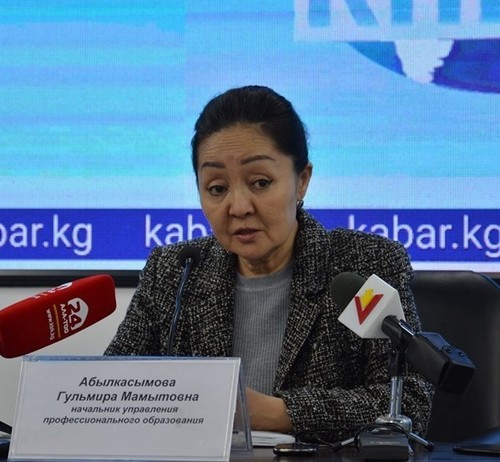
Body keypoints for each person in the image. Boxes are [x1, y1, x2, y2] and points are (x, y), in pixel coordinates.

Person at [105, 85, 433, 441]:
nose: (238, 207)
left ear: (302, 181)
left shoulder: (360, 268)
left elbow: (407, 404)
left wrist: (278, 413)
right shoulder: (176, 272)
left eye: (260, 183)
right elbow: (112, 392)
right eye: (217, 188)